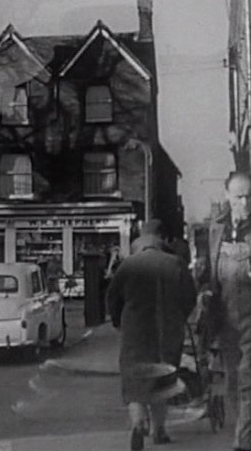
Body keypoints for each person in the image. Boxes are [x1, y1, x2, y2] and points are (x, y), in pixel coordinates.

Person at [107, 219, 197, 450]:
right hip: (167, 331)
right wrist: (180, 317)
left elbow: (112, 299)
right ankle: (159, 430)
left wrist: (118, 321)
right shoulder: (176, 263)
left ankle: (138, 423)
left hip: (135, 332)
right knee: (162, 379)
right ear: (163, 240)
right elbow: (190, 297)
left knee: (134, 382)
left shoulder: (127, 265)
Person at [194, 171, 251, 451]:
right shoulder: (215, 230)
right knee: (232, 381)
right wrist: (203, 287)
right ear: (228, 197)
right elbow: (207, 274)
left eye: (249, 197)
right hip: (227, 321)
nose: (245, 203)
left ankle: (242, 441)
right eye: (239, 197)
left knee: (247, 382)